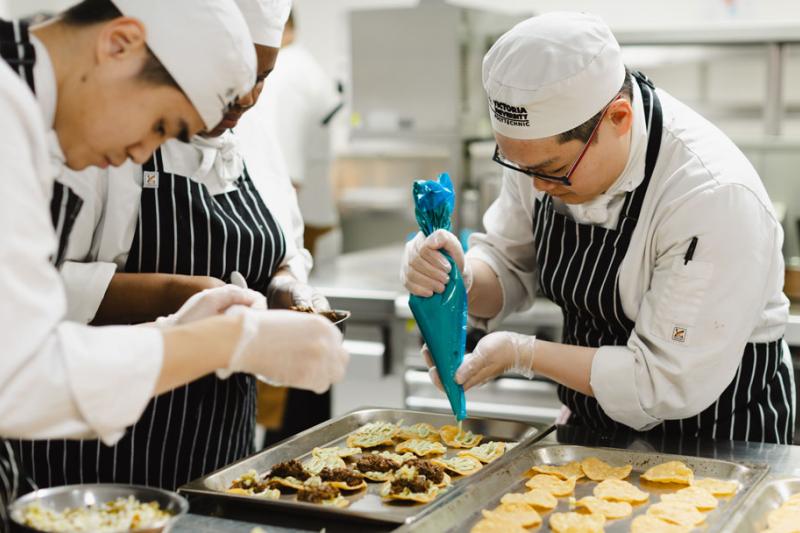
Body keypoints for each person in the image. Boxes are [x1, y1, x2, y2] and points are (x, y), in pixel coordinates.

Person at [0, 0, 348, 523]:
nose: (142, 153)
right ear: (119, 44)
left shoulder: (24, 100)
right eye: (161, 125)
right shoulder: (9, 111)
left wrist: (183, 331)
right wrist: (222, 339)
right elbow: (20, 374)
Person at [401, 12, 795, 444]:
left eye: (552, 171)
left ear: (619, 118)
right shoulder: (542, 152)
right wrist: (460, 276)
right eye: (519, 165)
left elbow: (661, 383)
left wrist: (523, 354)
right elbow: (510, 266)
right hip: (593, 428)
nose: (536, 187)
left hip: (719, 437)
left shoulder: (711, 195)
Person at [260, 10, 342, 262]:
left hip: (303, 234)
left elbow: (288, 174)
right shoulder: (303, 65)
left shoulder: (285, 72)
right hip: (317, 222)